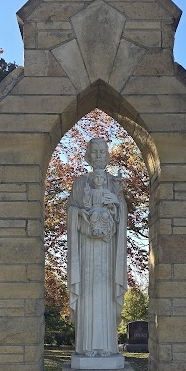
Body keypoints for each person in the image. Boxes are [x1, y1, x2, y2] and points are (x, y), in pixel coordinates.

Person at [67, 137, 128, 358]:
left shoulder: (114, 183)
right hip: (85, 248)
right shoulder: (79, 183)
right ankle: (86, 347)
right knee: (88, 293)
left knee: (104, 293)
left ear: (108, 155)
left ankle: (107, 347)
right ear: (88, 155)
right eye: (95, 151)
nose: (99, 155)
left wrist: (117, 204)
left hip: (107, 250)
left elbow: (122, 215)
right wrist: (80, 213)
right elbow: (71, 210)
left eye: (103, 151)